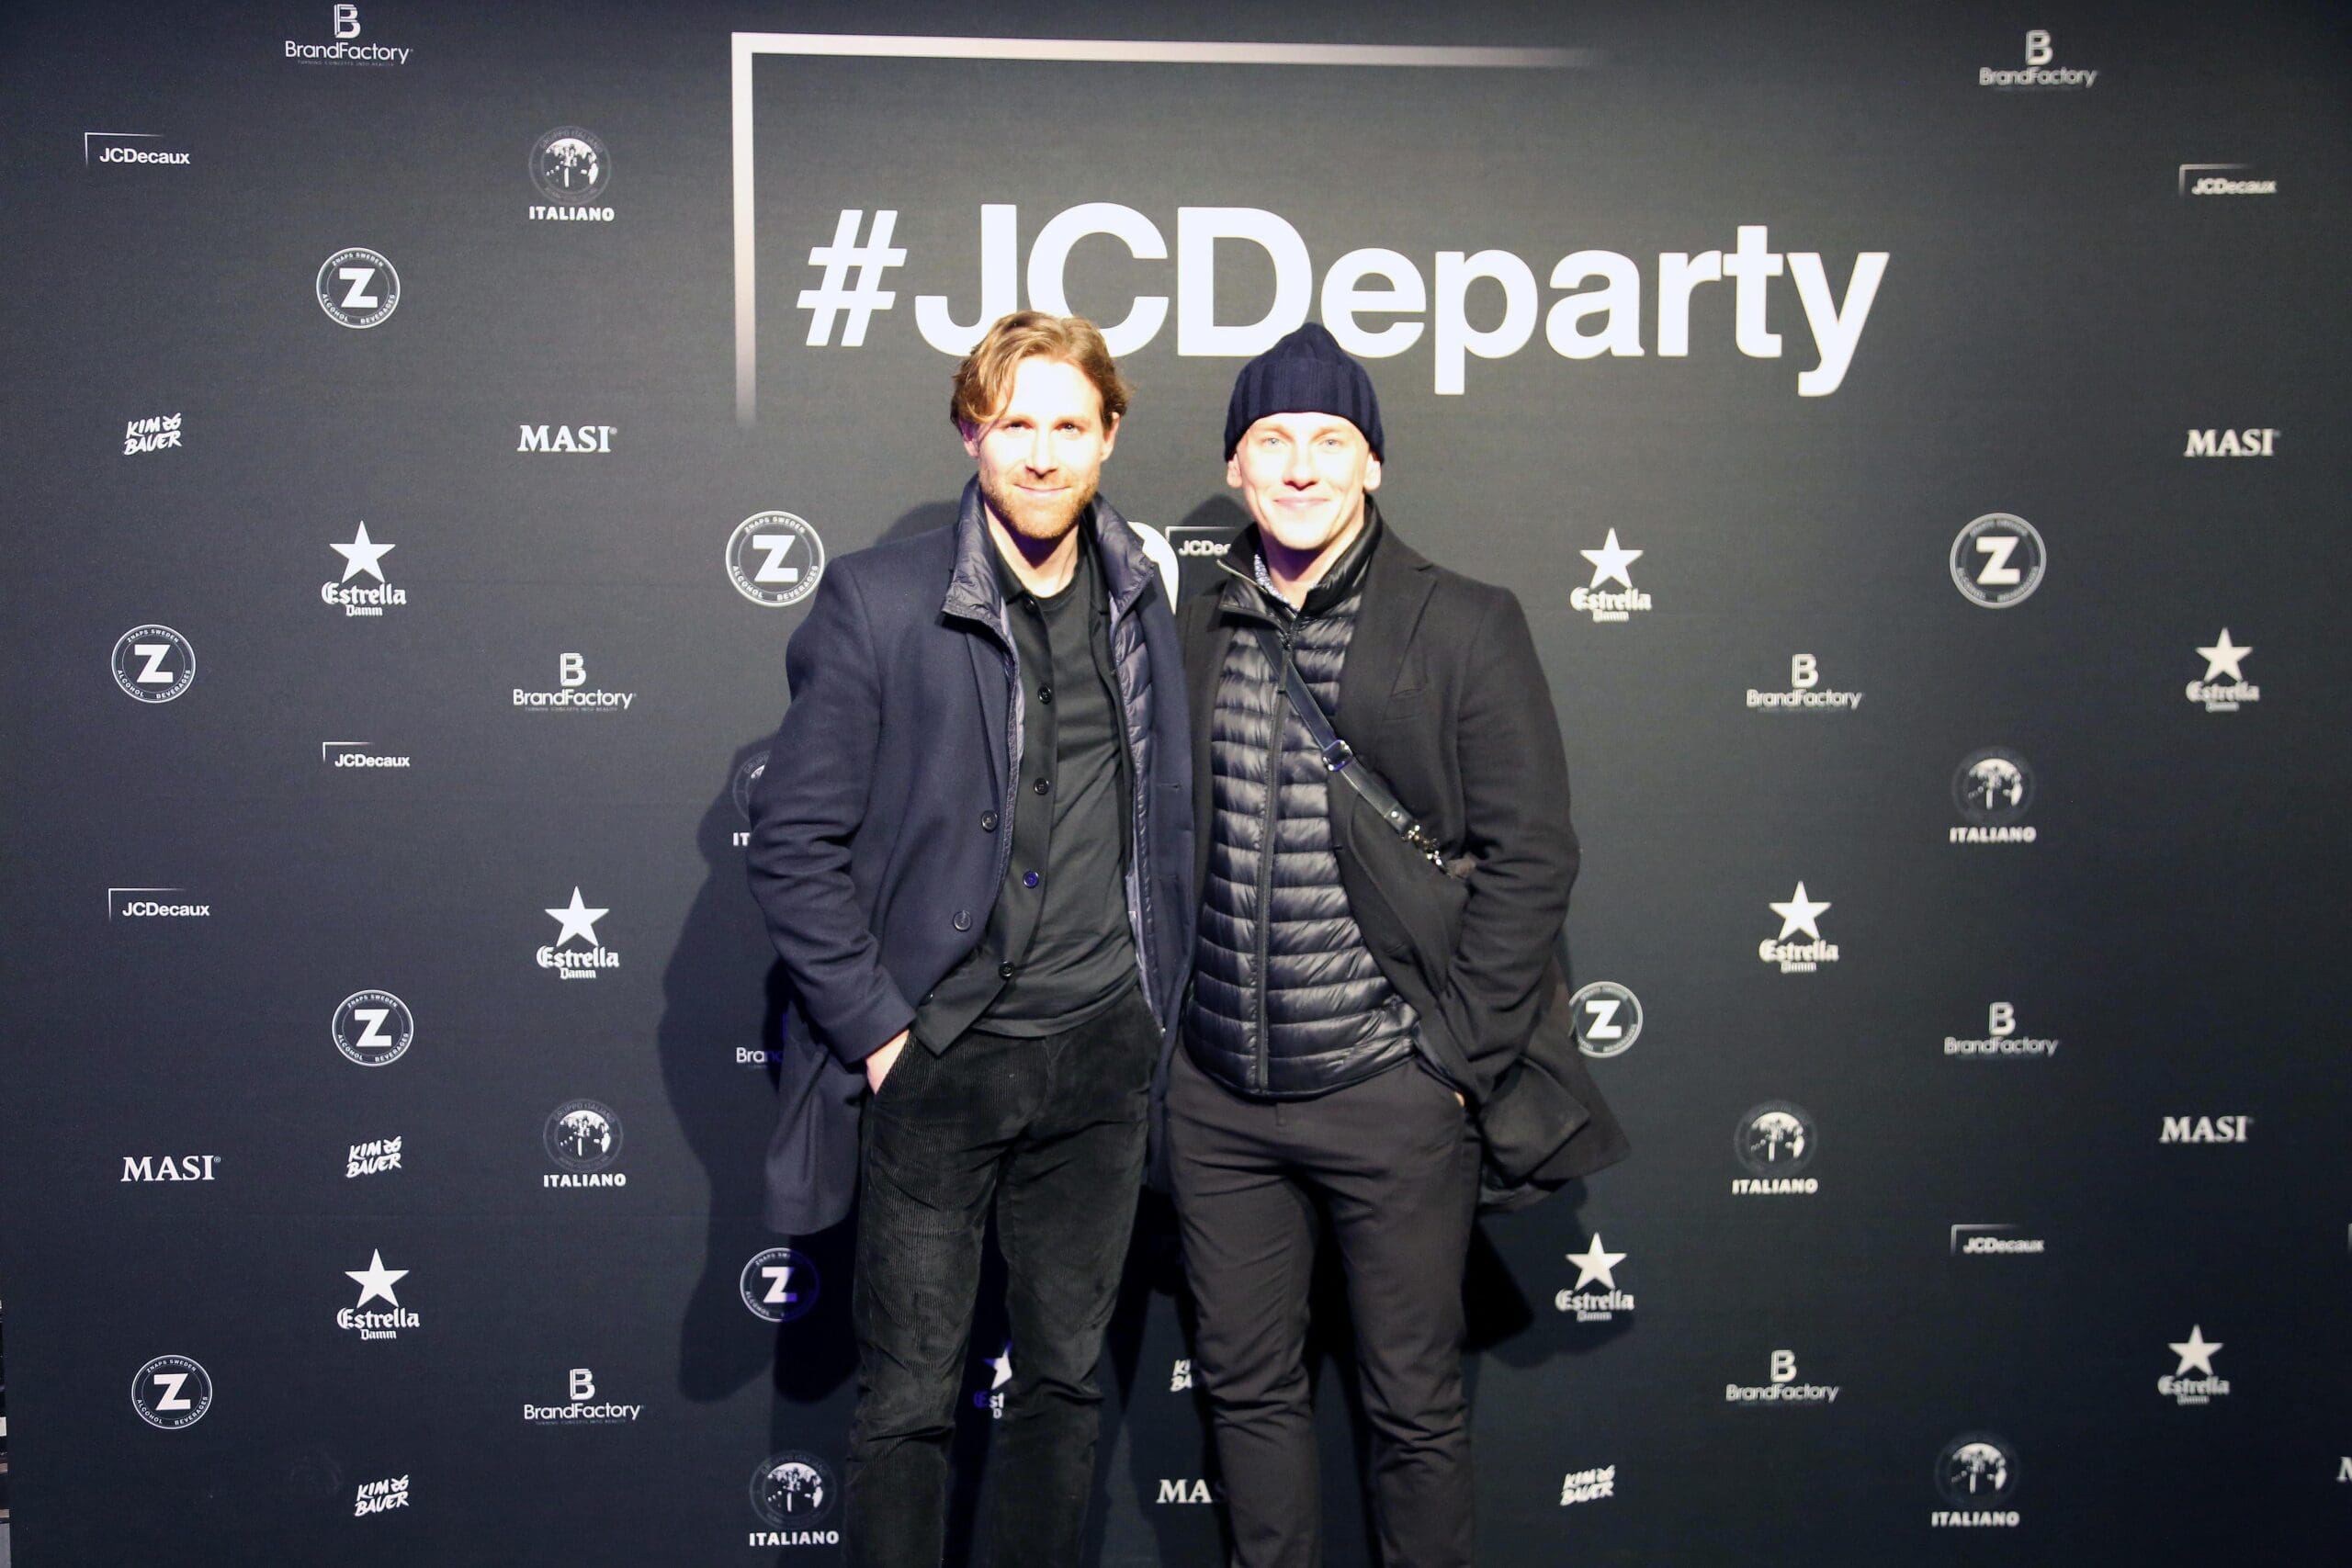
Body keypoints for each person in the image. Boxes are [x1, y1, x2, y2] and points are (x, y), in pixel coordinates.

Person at [1166, 322, 1624, 1567]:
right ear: (1236, 465)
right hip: (1217, 1099)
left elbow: (1533, 854)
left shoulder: (1464, 621)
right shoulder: (1192, 621)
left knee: (1412, 1412)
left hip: (1392, 1090)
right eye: (1272, 440)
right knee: (1245, 1398)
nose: (1300, 466)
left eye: (1330, 440)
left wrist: (1450, 1064)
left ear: (1372, 463)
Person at [744, 310, 1193, 1568]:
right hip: (939, 1059)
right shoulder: (878, 599)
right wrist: (883, 1034)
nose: (1042, 454)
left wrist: (1146, 1008)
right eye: (1014, 424)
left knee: (1062, 1385)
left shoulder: (1144, 595)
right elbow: (792, 842)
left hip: (1101, 1057)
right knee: (909, 1401)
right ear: (969, 433)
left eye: (1069, 425)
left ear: (1109, 436)